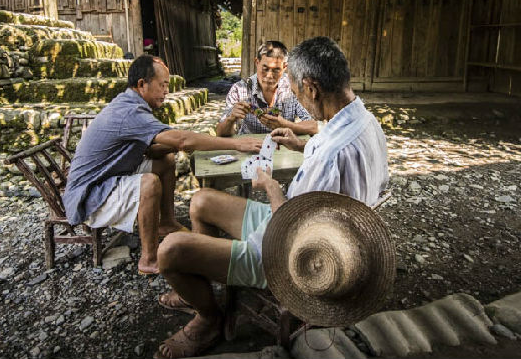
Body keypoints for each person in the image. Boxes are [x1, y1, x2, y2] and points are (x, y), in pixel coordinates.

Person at [154, 37, 389, 359]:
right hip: (329, 227)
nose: (294, 96)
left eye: (294, 89)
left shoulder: (330, 155)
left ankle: (209, 317)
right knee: (201, 200)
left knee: (168, 250)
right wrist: (299, 144)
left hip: (299, 255)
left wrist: (270, 186)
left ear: (312, 88)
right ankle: (204, 287)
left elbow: (291, 232)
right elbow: (330, 155)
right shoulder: (362, 121)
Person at [62, 55, 262, 275]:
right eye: (162, 85)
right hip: (89, 196)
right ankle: (148, 259)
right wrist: (235, 145)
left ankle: (166, 222)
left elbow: (155, 149)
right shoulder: (129, 111)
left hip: (109, 177)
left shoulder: (130, 103)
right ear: (142, 84)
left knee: (165, 160)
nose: (167, 91)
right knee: (148, 183)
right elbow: (182, 140)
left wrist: (178, 145)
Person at [216, 40, 318, 137]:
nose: (269, 75)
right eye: (265, 69)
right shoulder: (239, 90)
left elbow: (314, 126)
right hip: (249, 148)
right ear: (257, 62)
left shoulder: (293, 87)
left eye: (276, 70)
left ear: (285, 67)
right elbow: (220, 133)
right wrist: (231, 119)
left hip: (285, 147)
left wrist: (284, 125)